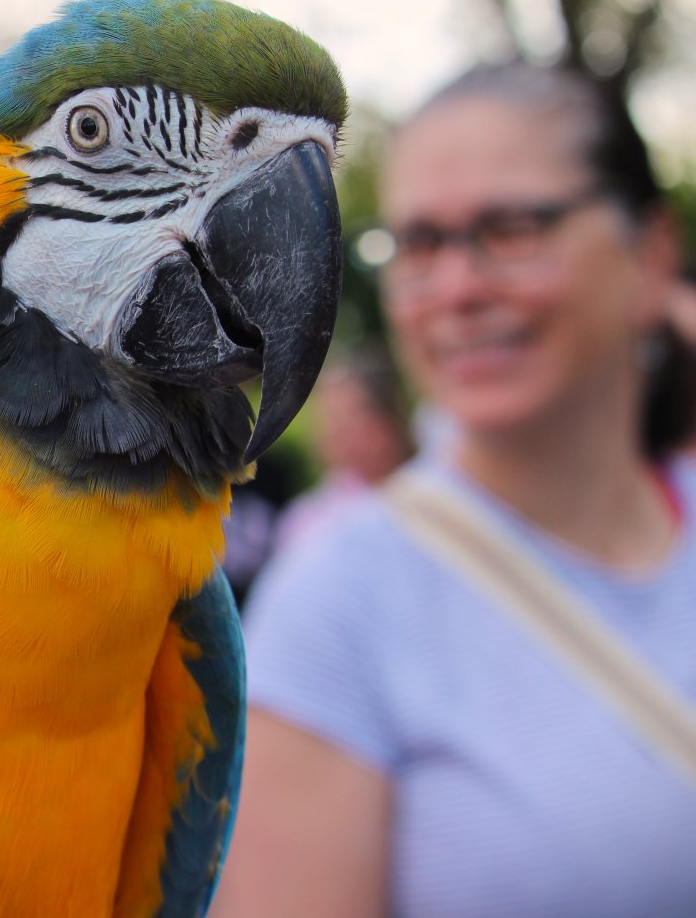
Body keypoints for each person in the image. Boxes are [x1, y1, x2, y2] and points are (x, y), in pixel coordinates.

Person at [213, 64, 696, 917]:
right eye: (418, 245)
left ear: (651, 255)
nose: (457, 290)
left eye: (512, 228)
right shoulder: (340, 605)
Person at [271, 344, 415, 555]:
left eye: (349, 418)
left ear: (390, 418)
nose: (334, 432)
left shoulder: (437, 489)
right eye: (329, 419)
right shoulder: (306, 521)